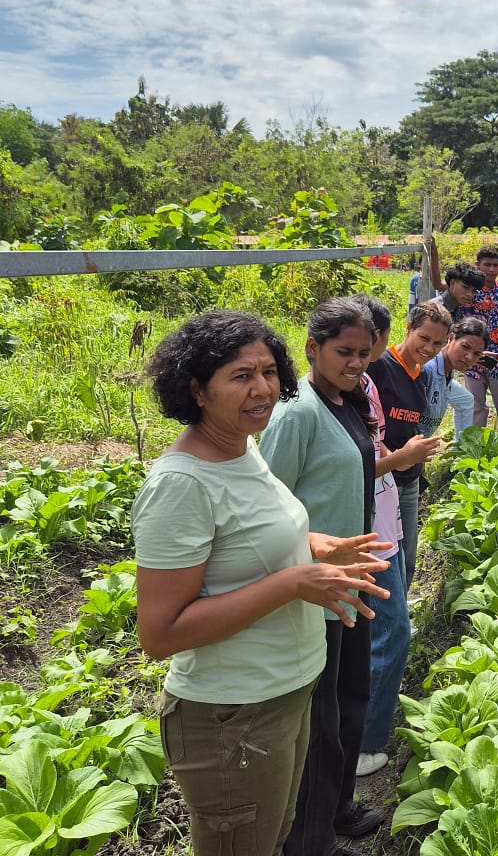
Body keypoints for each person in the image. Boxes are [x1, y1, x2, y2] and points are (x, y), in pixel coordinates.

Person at [132, 310, 390, 856]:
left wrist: (318, 546)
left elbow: (253, 541)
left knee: (271, 839)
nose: (263, 389)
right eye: (240, 375)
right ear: (197, 389)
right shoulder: (181, 484)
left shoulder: (243, 449)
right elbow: (160, 634)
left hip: (285, 692)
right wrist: (293, 581)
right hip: (234, 715)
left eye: (269, 372)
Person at [259, 299, 403, 854]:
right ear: (312, 348)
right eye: (344, 352)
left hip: (349, 584)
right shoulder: (297, 412)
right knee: (318, 724)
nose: (356, 363)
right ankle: (309, 838)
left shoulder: (343, 400)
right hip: (312, 589)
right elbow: (269, 504)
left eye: (365, 354)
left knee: (348, 701)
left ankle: (338, 807)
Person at [355, 295, 444, 780]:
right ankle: (365, 741)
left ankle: (362, 727)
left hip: (393, 501)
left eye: (363, 350)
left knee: (391, 604)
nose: (357, 362)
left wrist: (405, 461)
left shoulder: (380, 384)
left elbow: (376, 447)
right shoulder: (366, 381)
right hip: (370, 516)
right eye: (422, 339)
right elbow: (366, 459)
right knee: (391, 626)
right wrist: (399, 459)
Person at [367, 304, 450, 592]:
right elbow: (368, 431)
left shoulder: (423, 376)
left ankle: (401, 617)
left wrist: (416, 459)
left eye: (438, 343)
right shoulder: (378, 367)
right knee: (385, 558)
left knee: (408, 558)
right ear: (408, 329)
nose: (429, 348)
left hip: (409, 479)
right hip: (382, 478)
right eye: (424, 338)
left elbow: (413, 428)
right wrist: (399, 458)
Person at [461, 245, 498, 434]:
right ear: (478, 265)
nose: (491, 269)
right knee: (476, 407)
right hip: (472, 359)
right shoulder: (469, 291)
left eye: (495, 265)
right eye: (487, 265)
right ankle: (476, 449)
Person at [420, 317, 488, 440]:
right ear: (451, 337)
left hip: (416, 452)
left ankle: (461, 449)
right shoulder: (426, 370)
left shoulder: (447, 371)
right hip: (400, 451)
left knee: (466, 399)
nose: (469, 357)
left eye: (476, 354)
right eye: (465, 347)